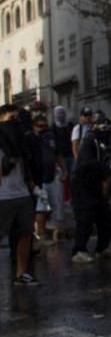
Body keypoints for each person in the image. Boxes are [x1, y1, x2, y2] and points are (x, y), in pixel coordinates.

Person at [0, 104, 39, 285]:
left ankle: (21, 273)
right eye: (10, 119)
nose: (14, 123)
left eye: (17, 118)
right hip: (3, 196)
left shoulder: (20, 141)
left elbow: (26, 165)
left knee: (25, 233)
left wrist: (31, 184)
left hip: (21, 193)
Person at [70, 120, 111, 263]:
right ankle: (79, 250)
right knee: (85, 220)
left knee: (105, 218)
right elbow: (88, 164)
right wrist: (107, 168)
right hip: (83, 187)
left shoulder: (103, 144)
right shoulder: (90, 142)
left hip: (95, 186)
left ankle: (102, 248)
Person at [26, 115, 66, 245]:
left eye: (45, 126)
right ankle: (41, 235)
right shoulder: (30, 139)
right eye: (40, 126)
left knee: (53, 206)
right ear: (34, 126)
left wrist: (64, 170)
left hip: (51, 177)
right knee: (40, 208)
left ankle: (49, 231)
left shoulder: (51, 137)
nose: (43, 129)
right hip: (38, 179)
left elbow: (57, 154)